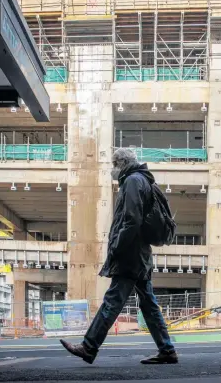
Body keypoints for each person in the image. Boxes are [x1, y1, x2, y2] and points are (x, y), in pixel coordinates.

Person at [60, 148, 178, 365]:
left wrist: (116, 246)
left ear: (121, 163)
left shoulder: (133, 181)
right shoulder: (143, 180)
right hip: (140, 253)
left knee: (113, 300)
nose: (112, 170)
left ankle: (89, 346)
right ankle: (167, 349)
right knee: (148, 303)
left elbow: (132, 219)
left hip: (130, 254)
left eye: (114, 165)